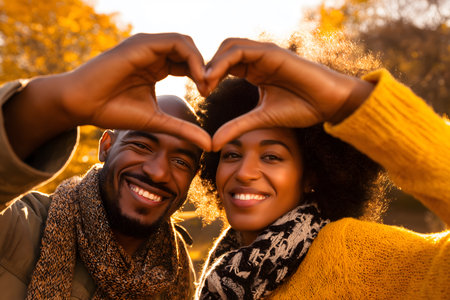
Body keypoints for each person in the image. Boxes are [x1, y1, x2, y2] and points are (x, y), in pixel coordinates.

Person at [194, 38, 450, 299]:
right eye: (232, 154)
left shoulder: (349, 251)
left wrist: (345, 100)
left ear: (311, 174)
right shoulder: (222, 267)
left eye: (271, 157)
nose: (244, 172)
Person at [0, 33, 212, 299]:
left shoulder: (176, 278)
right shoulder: (19, 226)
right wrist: (65, 100)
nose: (158, 171)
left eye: (180, 161)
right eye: (142, 146)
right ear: (106, 146)